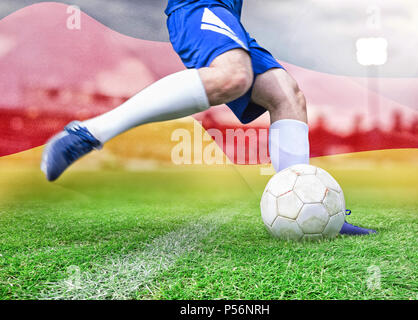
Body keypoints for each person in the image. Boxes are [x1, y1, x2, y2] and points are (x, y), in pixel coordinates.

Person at [41, 0, 375, 235]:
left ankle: (313, 209)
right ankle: (87, 133)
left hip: (226, 14)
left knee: (287, 94)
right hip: (196, 4)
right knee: (232, 76)